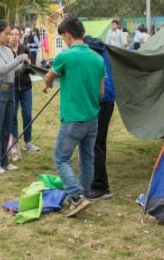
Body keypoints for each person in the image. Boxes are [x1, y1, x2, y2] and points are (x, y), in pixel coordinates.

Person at [44, 17, 105, 218]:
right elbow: (101, 93)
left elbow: (49, 76)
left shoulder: (66, 56)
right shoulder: (98, 59)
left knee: (61, 158)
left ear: (67, 36)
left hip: (72, 118)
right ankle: (84, 194)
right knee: (87, 157)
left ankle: (77, 197)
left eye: (63, 37)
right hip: (92, 117)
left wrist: (47, 84)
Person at [0, 19, 30, 175]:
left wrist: (24, 66)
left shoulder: (9, 50)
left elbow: (13, 71)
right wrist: (20, 58)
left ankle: (4, 161)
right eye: (6, 34)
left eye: (10, 34)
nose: (9, 37)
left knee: (7, 128)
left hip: (10, 89)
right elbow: (3, 69)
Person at [83, 35, 116, 200]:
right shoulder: (99, 48)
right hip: (108, 100)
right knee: (99, 143)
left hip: (102, 100)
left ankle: (100, 187)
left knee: (95, 144)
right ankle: (97, 182)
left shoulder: (90, 50)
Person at [8, 26, 40, 154]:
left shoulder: (25, 49)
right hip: (13, 87)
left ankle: (28, 142)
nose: (15, 36)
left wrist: (29, 64)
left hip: (26, 87)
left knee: (27, 114)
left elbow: (31, 69)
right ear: (8, 36)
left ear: (20, 36)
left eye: (17, 34)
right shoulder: (6, 50)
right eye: (12, 34)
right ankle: (14, 144)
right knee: (13, 117)